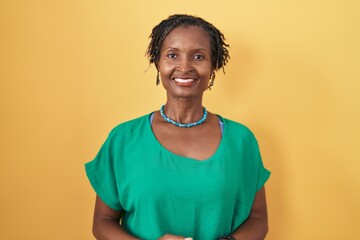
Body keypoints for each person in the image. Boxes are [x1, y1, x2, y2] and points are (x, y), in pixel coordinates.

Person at [85, 14, 270, 240]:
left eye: (198, 56)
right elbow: (103, 222)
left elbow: (258, 219)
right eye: (172, 55)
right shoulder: (123, 139)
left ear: (214, 65)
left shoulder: (241, 140)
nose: (184, 67)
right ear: (158, 63)